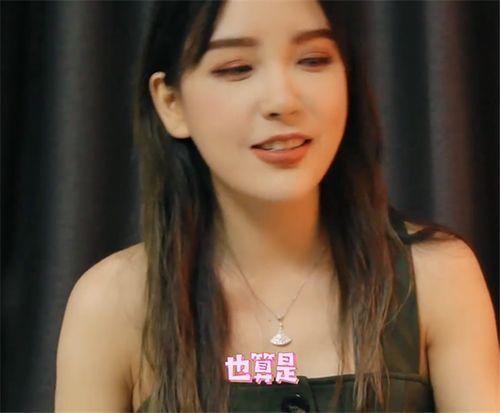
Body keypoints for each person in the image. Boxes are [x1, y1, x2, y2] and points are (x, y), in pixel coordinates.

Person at [54, 1, 499, 412]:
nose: (283, 101)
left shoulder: (437, 277)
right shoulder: (112, 305)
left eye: (313, 60)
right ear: (171, 103)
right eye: (236, 68)